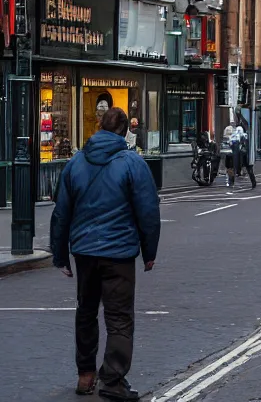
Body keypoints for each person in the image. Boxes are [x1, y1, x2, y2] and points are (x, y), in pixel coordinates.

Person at [50, 108, 161, 401]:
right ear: (125, 131)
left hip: (84, 253)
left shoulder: (75, 163)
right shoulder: (132, 163)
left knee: (86, 313)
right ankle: (112, 380)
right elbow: (148, 211)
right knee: (119, 317)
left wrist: (60, 255)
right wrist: (149, 252)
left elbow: (61, 213)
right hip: (118, 254)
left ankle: (86, 376)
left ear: (100, 126)